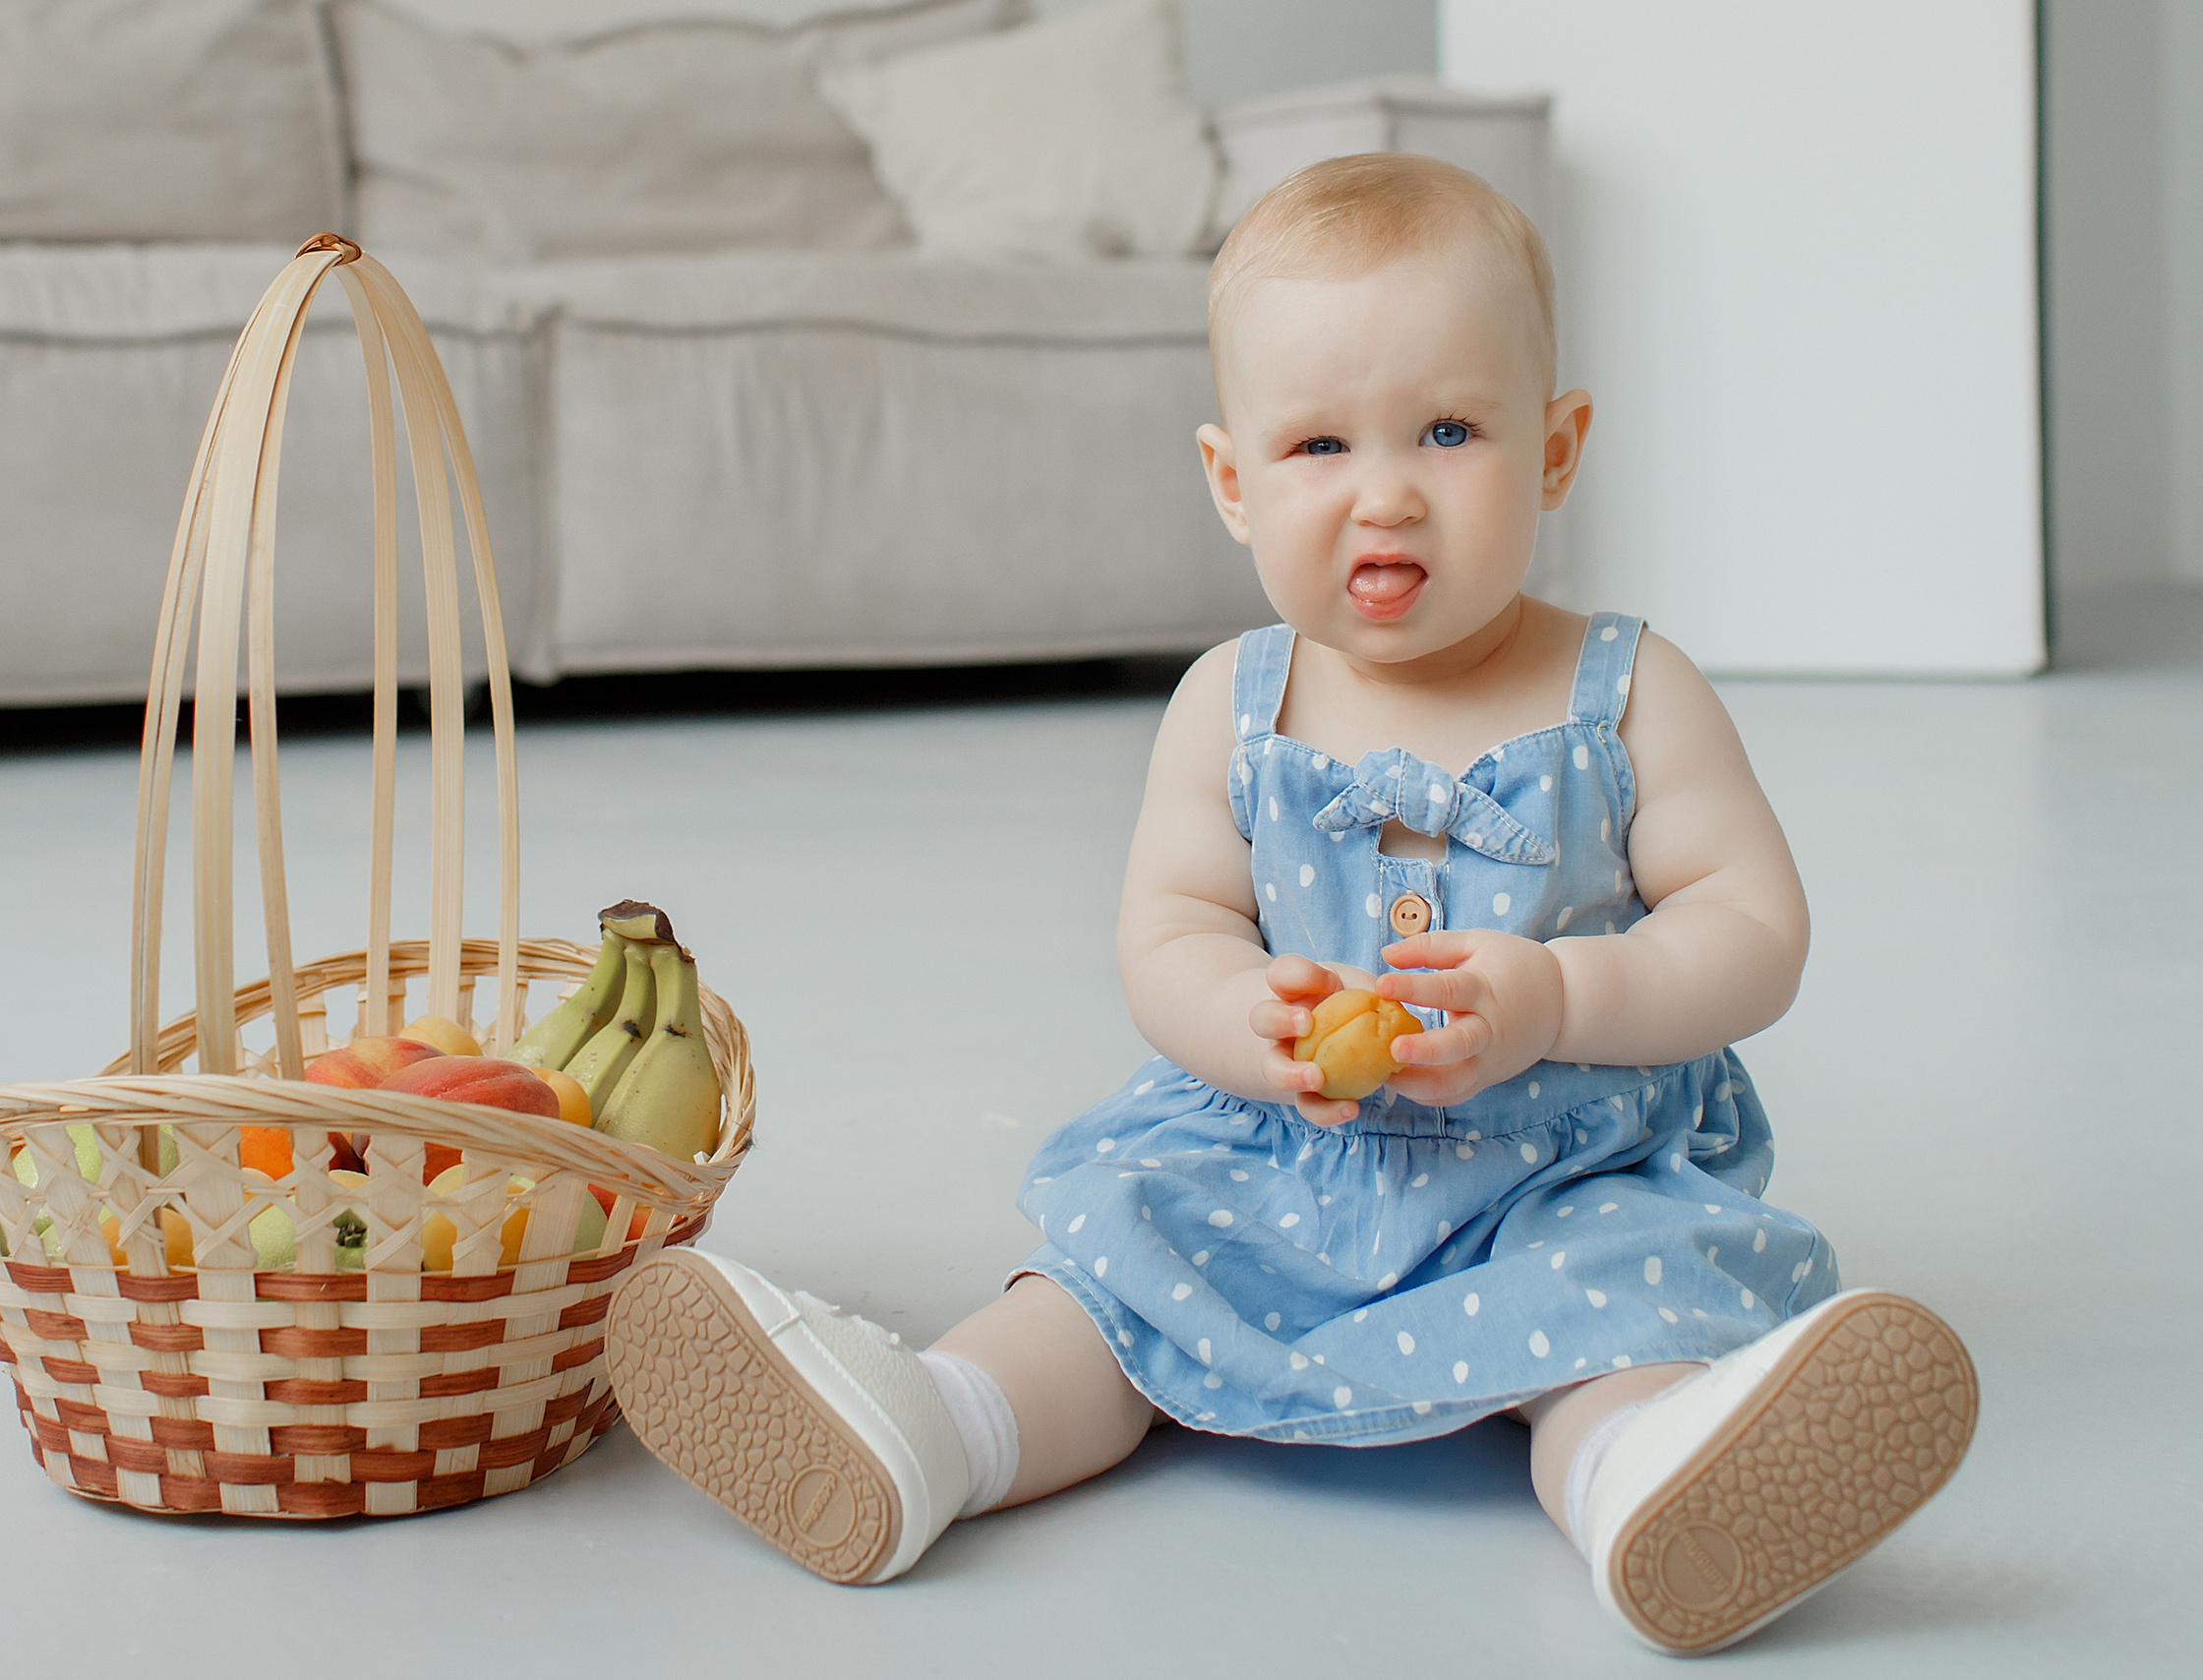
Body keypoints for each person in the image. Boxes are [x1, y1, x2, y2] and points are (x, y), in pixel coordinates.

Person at [602, 152, 1976, 1656]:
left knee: (1609, 1319)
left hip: (1554, 1164)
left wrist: (1566, 999)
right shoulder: (1231, 704)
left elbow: (1751, 929)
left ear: (1557, 448)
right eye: (1319, 442)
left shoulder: (1630, 691)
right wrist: (1237, 1018)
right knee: (1112, 1276)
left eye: (1450, 429)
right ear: (1231, 481)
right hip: (1280, 1156)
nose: (1385, 489)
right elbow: (1171, 927)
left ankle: (1650, 1481)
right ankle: (938, 1427)